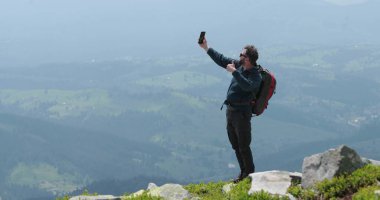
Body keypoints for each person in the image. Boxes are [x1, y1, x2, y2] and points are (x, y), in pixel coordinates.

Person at [199, 37, 262, 183]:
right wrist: (206, 48)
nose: (239, 56)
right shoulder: (239, 65)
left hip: (242, 114)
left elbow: (247, 86)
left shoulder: (255, 75)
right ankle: (243, 173)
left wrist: (234, 72)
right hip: (231, 111)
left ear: (248, 59)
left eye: (242, 54)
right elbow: (221, 59)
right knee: (235, 145)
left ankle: (250, 176)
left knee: (244, 146)